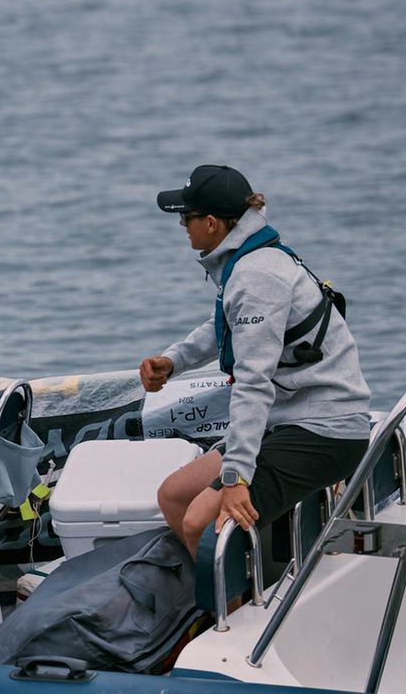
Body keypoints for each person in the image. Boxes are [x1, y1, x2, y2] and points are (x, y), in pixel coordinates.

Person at [143, 165, 370, 558]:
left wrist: (235, 476)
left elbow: (253, 383)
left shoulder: (256, 276)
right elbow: (230, 326)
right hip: (286, 420)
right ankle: (227, 593)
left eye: (186, 217)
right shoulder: (248, 259)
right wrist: (174, 360)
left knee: (200, 520)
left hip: (324, 431)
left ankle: (233, 613)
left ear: (211, 223)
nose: (182, 225)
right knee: (174, 496)